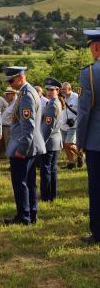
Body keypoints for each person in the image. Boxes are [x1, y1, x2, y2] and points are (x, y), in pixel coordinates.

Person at [3, 66, 46, 226]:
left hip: (24, 146)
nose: (10, 84)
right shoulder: (26, 92)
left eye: (11, 80)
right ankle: (31, 213)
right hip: (28, 145)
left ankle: (24, 216)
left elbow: (27, 126)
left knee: (20, 182)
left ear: (20, 77)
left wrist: (22, 149)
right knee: (29, 182)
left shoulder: (27, 95)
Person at [77, 29, 100, 245]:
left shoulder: (90, 73)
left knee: (96, 188)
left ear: (96, 47)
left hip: (96, 142)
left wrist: (80, 142)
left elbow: (84, 113)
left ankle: (98, 232)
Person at [38, 78, 63, 202]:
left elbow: (48, 127)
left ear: (57, 91)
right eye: (47, 89)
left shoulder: (52, 104)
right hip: (54, 141)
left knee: (46, 170)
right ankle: (52, 195)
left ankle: (46, 196)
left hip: (48, 142)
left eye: (51, 90)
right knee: (52, 170)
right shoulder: (54, 102)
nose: (48, 91)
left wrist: (41, 143)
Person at [61, 82, 83, 169]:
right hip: (63, 125)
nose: (62, 91)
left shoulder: (76, 97)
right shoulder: (62, 97)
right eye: (62, 89)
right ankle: (71, 162)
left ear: (69, 89)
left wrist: (75, 121)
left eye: (64, 89)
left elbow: (81, 111)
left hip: (73, 125)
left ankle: (80, 155)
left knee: (68, 143)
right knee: (64, 144)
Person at [0, 87, 18, 157]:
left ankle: (13, 165)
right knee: (8, 146)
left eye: (8, 94)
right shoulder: (10, 103)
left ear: (13, 94)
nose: (6, 96)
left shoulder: (15, 104)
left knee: (10, 146)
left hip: (9, 128)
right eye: (6, 94)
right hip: (6, 128)